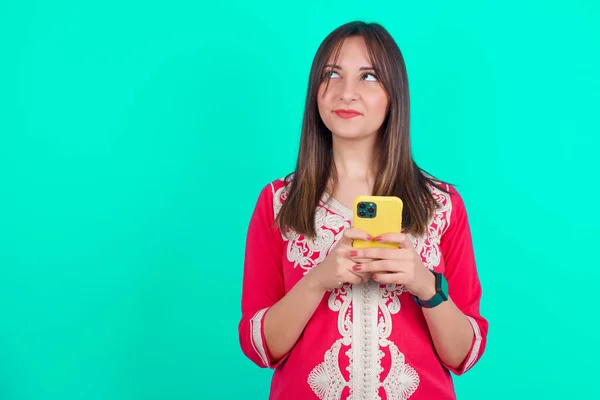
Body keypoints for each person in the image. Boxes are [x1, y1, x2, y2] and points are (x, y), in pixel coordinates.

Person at [238, 20, 488, 400]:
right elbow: (261, 348)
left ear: (394, 94)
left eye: (368, 76)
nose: (346, 93)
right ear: (315, 92)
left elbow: (464, 355)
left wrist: (424, 285)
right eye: (332, 74)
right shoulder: (278, 203)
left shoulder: (442, 205)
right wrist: (318, 279)